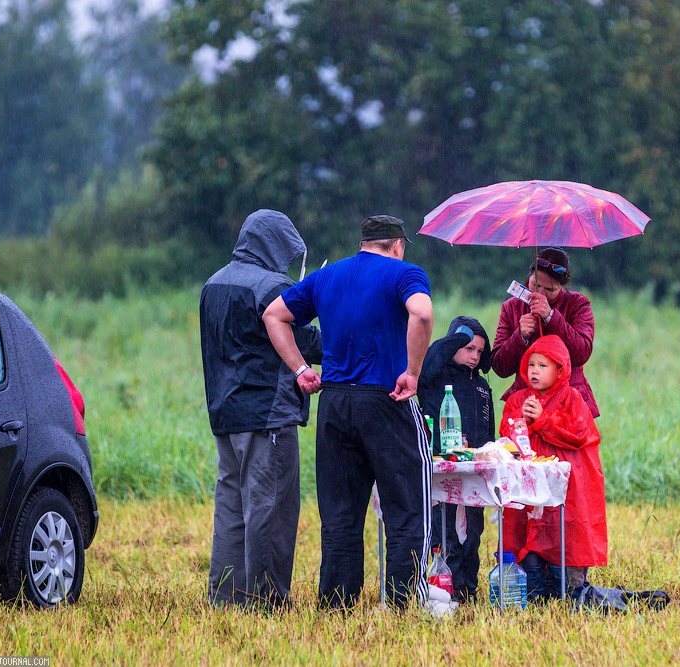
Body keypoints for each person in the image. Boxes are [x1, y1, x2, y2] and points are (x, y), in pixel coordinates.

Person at [263, 214, 434, 610]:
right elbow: (422, 314)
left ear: (363, 242)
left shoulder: (327, 277)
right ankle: (404, 603)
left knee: (340, 514)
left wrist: (301, 369)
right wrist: (412, 372)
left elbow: (274, 315)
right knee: (407, 507)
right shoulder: (404, 273)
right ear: (396, 245)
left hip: (335, 403)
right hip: (386, 398)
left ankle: (337, 605)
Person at [199, 209, 322, 611]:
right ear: (274, 245)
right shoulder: (273, 286)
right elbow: (302, 339)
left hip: (225, 414)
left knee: (232, 508)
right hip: (268, 416)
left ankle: (226, 598)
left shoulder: (211, 284)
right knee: (272, 510)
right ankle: (268, 603)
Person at [499, 334, 605, 602]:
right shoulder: (518, 399)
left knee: (565, 534)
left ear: (560, 369)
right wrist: (520, 419)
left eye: (543, 365)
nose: (534, 371)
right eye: (531, 364)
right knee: (526, 534)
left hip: (567, 489)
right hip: (528, 490)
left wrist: (543, 418)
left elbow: (578, 433)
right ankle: (530, 593)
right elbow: (505, 440)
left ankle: (571, 591)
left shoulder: (572, 397)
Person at [417, 316, 494, 603]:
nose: (474, 356)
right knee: (444, 531)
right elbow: (424, 367)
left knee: (472, 533)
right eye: (468, 348)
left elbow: (489, 431)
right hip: (444, 470)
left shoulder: (482, 387)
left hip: (473, 471)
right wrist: (455, 339)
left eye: (478, 350)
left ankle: (467, 591)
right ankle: (443, 591)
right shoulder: (436, 378)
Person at [492, 247, 599, 418]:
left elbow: (582, 353)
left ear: (562, 287)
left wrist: (550, 317)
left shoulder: (578, 304)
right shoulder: (511, 307)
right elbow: (500, 367)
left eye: (550, 290)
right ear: (529, 278)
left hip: (567, 403)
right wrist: (520, 337)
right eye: (535, 285)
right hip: (525, 403)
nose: (540, 294)